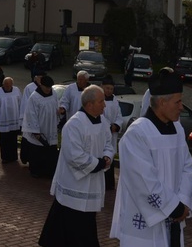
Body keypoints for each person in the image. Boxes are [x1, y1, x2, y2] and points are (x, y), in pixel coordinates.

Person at [110, 76, 192, 247]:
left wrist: (183, 201)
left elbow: (188, 167)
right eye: (178, 102)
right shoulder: (137, 133)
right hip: (145, 222)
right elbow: (143, 180)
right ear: (162, 102)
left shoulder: (177, 129)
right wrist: (174, 207)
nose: (181, 107)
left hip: (176, 214)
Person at [38, 85, 114, 247]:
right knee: (69, 222)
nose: (104, 105)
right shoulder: (74, 124)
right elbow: (74, 155)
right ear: (89, 104)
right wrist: (99, 163)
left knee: (86, 222)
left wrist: (107, 157)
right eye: (101, 101)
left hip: (92, 182)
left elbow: (109, 143)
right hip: (75, 184)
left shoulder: (103, 122)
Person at [22, 74, 60, 178]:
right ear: (41, 85)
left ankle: (49, 171)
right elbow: (31, 114)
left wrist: (59, 114)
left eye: (50, 87)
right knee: (37, 150)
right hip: (39, 129)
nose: (48, 89)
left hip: (51, 126)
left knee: (50, 150)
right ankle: (36, 171)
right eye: (46, 87)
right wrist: (36, 131)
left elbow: (57, 106)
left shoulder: (54, 94)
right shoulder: (34, 97)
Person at [101, 77, 123, 191]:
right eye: (107, 88)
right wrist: (107, 127)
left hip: (112, 133)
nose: (109, 91)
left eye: (111, 89)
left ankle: (109, 184)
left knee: (110, 155)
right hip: (102, 133)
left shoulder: (115, 101)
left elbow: (119, 116)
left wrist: (116, 125)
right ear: (102, 87)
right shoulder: (99, 100)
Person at [20, 70, 43, 165]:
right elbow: (25, 103)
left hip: (41, 119)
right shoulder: (29, 88)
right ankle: (25, 158)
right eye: (40, 77)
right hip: (30, 117)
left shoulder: (44, 87)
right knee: (28, 139)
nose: (41, 79)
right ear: (35, 77)